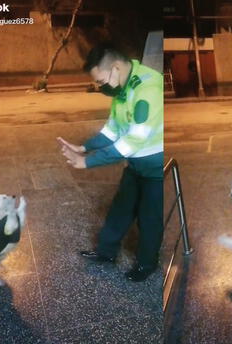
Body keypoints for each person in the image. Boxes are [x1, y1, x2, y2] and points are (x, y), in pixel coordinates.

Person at [57, 44, 164, 282]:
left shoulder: (148, 89)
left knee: (149, 219)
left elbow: (132, 141)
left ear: (115, 68)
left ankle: (147, 264)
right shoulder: (122, 88)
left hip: (155, 169)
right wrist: (84, 147)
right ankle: (106, 252)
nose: (100, 87)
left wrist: (87, 163)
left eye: (101, 81)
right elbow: (113, 129)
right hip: (135, 165)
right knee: (120, 209)